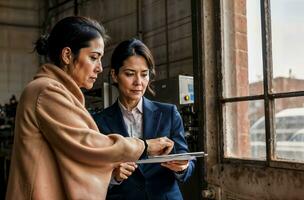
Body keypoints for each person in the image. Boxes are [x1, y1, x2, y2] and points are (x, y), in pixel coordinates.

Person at [5, 17, 174, 200]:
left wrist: (110, 171)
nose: (99, 68)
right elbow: (86, 143)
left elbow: (71, 157)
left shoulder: (57, 92)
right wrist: (144, 146)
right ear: (68, 55)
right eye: (94, 57)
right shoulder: (47, 91)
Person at [93, 38, 195, 200]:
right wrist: (113, 176)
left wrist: (182, 167)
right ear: (114, 75)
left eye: (144, 74)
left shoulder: (168, 113)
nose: (138, 82)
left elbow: (186, 160)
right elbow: (93, 173)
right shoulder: (99, 122)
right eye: (129, 74)